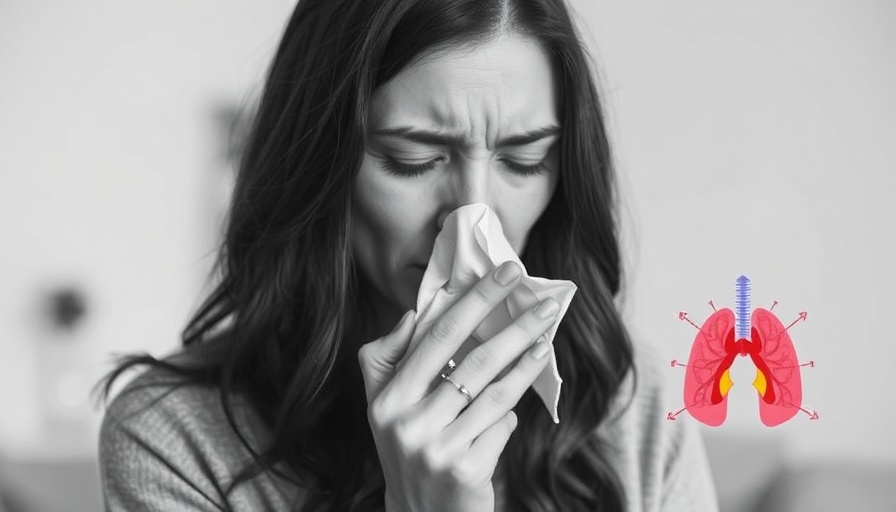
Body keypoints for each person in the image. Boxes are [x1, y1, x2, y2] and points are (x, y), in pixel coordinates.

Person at [96, 0, 719, 510]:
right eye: (411, 160)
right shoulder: (175, 438)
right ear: (319, 166)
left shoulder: (626, 398)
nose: (473, 217)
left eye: (524, 161)